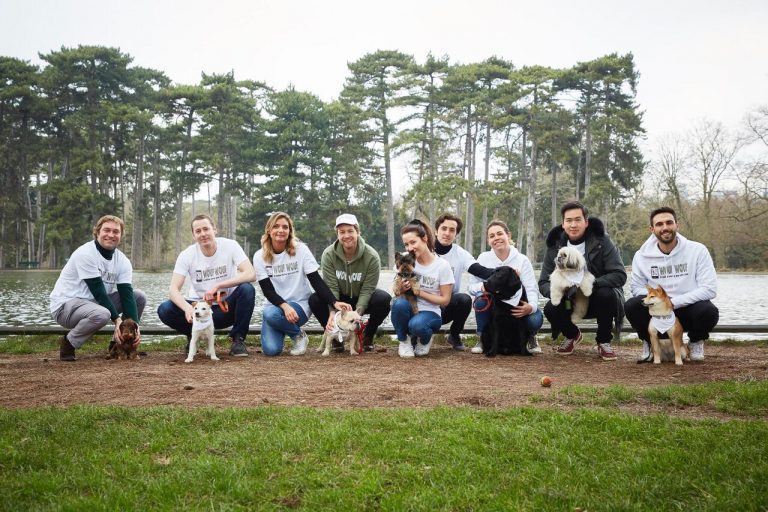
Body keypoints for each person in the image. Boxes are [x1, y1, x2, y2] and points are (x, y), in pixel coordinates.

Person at [625, 206, 719, 362]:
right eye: (659, 224)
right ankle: (650, 342)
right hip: (657, 311)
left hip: (687, 308)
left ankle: (695, 341)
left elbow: (709, 289)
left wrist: (674, 302)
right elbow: (636, 288)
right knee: (632, 305)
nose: (665, 227)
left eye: (669, 222)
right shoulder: (641, 256)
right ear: (652, 229)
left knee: (708, 311)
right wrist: (660, 301)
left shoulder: (698, 250)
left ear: (677, 225)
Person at [157, 214, 256, 356]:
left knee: (247, 289)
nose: (203, 234)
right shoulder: (186, 255)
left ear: (214, 229)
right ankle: (194, 335)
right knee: (165, 309)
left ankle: (238, 340)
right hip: (198, 311)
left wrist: (219, 285)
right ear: (193, 235)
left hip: (224, 310)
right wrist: (188, 309)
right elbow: (173, 290)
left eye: (206, 229)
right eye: (198, 231)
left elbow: (251, 274)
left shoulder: (231, 246)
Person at [50, 215, 146, 361]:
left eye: (116, 231)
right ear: (97, 232)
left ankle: (118, 344)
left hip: (95, 305)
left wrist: (136, 328)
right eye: (106, 230)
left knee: (138, 297)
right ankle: (69, 343)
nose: (111, 235)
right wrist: (117, 321)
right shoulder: (85, 253)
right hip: (66, 307)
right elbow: (99, 293)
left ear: (121, 235)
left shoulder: (123, 261)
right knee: (103, 313)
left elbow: (126, 294)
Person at [539, 201, 626, 360]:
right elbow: (543, 282)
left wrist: (593, 283)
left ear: (586, 222)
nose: (573, 225)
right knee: (551, 308)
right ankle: (572, 334)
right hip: (569, 300)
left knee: (607, 294)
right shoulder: (554, 245)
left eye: (578, 220)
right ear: (563, 224)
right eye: (569, 220)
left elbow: (619, 274)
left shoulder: (602, 241)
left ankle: (604, 341)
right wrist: (560, 290)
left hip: (597, 298)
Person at [253, 212, 349, 356]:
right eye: (276, 226)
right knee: (271, 350)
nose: (281, 230)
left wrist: (334, 302)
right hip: (274, 308)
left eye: (285, 227)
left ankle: (298, 336)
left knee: (271, 315)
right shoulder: (259, 256)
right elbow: (268, 291)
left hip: (300, 305)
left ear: (290, 231)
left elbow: (316, 280)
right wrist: (285, 307)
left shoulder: (301, 250)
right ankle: (293, 331)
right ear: (269, 230)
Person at [309, 213, 391, 352]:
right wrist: (333, 312)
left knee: (383, 299)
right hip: (339, 299)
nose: (346, 235)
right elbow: (331, 287)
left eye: (350, 231)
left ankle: (367, 335)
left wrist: (357, 315)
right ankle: (335, 336)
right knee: (314, 299)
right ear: (337, 234)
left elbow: (368, 289)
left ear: (358, 232)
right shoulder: (328, 255)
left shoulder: (372, 256)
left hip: (361, 296)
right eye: (342, 232)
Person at [469, 220, 543, 354]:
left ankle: (530, 337)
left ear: (508, 235)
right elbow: (471, 287)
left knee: (535, 318)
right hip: (496, 306)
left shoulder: (522, 260)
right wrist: (483, 287)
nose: (496, 238)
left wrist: (530, 307)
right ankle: (482, 337)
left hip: (517, 305)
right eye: (492, 236)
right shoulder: (483, 258)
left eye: (499, 234)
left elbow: (531, 288)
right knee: (480, 301)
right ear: (488, 241)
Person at [391, 219, 454, 358]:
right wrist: (402, 288)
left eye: (413, 242)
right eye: (406, 244)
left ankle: (425, 340)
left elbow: (445, 300)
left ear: (425, 238)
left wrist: (419, 292)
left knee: (417, 325)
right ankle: (404, 341)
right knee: (398, 304)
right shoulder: (404, 260)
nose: (409, 248)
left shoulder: (442, 266)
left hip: (431, 311)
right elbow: (396, 291)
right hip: (409, 307)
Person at [433, 213, 493, 351]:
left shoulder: (460, 253)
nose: (447, 233)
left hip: (446, 305)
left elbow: (479, 270)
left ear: (456, 234)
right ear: (436, 231)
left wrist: (504, 272)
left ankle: (454, 335)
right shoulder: (425, 249)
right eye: (444, 228)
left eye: (452, 230)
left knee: (465, 299)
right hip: (425, 304)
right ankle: (414, 336)